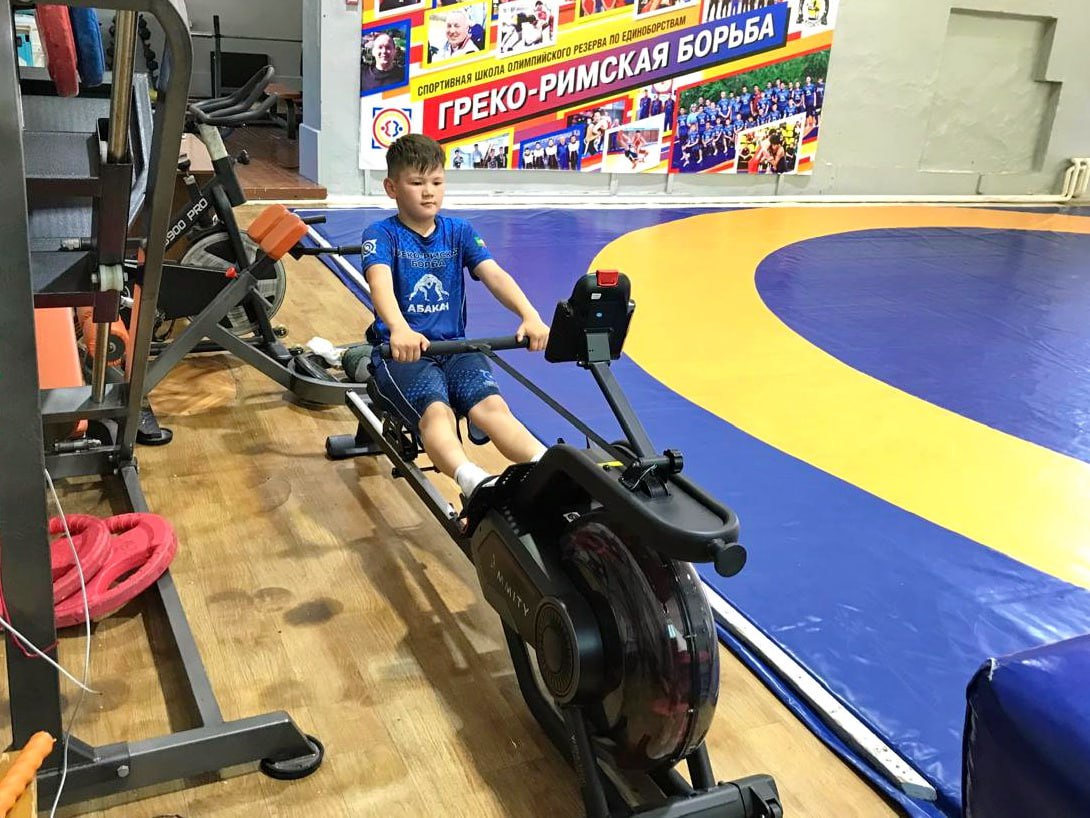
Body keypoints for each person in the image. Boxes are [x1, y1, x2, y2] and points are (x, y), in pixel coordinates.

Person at [360, 134, 550, 502]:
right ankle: (473, 481)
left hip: (455, 349)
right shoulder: (381, 234)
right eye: (417, 183)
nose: (428, 192)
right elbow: (379, 283)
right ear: (392, 188)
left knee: (493, 408)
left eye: (436, 182)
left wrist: (530, 315)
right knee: (437, 413)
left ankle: (549, 467)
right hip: (403, 354)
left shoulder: (459, 231)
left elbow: (494, 275)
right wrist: (399, 328)